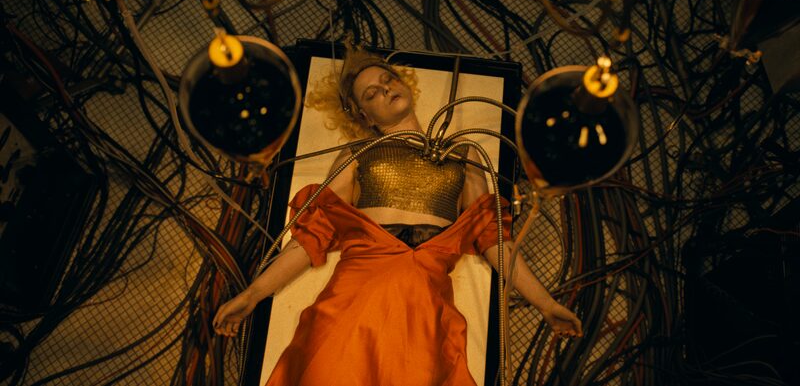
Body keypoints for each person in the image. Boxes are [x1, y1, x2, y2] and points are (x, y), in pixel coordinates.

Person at [213, 46, 582, 385]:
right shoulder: (358, 153)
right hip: (352, 305)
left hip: (421, 315)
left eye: (387, 79)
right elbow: (308, 239)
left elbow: (496, 241)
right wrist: (252, 295)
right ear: (364, 115)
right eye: (371, 93)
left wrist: (546, 304)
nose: (385, 90)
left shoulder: (464, 153)